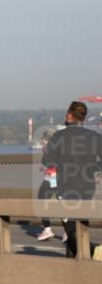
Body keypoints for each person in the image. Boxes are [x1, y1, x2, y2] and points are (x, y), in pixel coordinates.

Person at [41, 100, 102, 259]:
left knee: (71, 230)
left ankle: (95, 250)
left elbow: (47, 161)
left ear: (69, 115)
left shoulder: (59, 136)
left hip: (65, 188)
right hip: (87, 188)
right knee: (81, 226)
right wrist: (93, 169)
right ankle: (74, 266)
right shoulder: (94, 137)